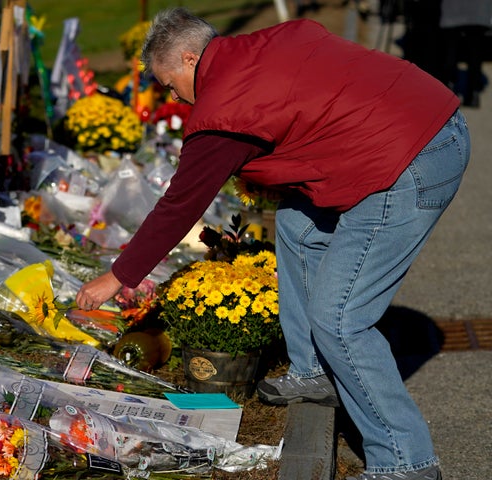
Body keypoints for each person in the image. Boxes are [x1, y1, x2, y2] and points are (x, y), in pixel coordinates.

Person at [75, 7, 469, 480]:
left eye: (169, 83)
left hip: (408, 164)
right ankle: (314, 372)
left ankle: (407, 461)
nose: (174, 97)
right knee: (299, 226)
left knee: (341, 320)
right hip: (427, 121)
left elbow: (179, 206)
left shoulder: (224, 109)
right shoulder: (264, 44)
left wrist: (118, 276)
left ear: (188, 56)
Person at [439, 0, 492, 107]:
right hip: (478, 11)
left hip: (453, 10)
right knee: (475, 55)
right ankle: (473, 94)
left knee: (451, 53)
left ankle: (448, 94)